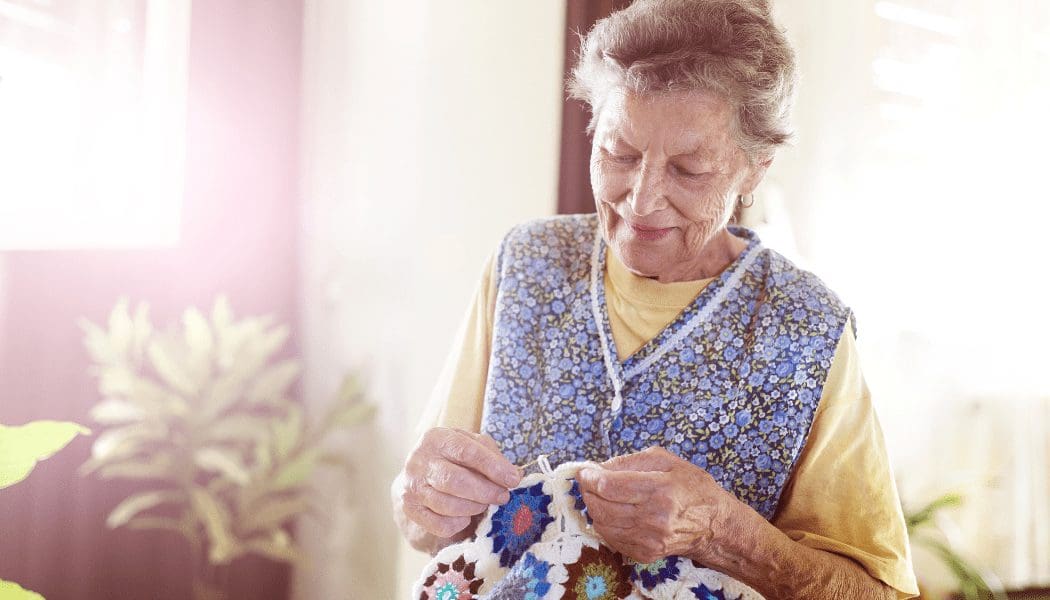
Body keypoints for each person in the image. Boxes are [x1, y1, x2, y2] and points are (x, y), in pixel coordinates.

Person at [392, 1, 919, 598]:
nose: (641, 202)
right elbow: (423, 519)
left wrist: (722, 532)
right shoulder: (526, 264)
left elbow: (879, 594)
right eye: (619, 154)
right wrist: (418, 497)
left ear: (753, 170)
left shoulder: (807, 331)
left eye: (689, 170)